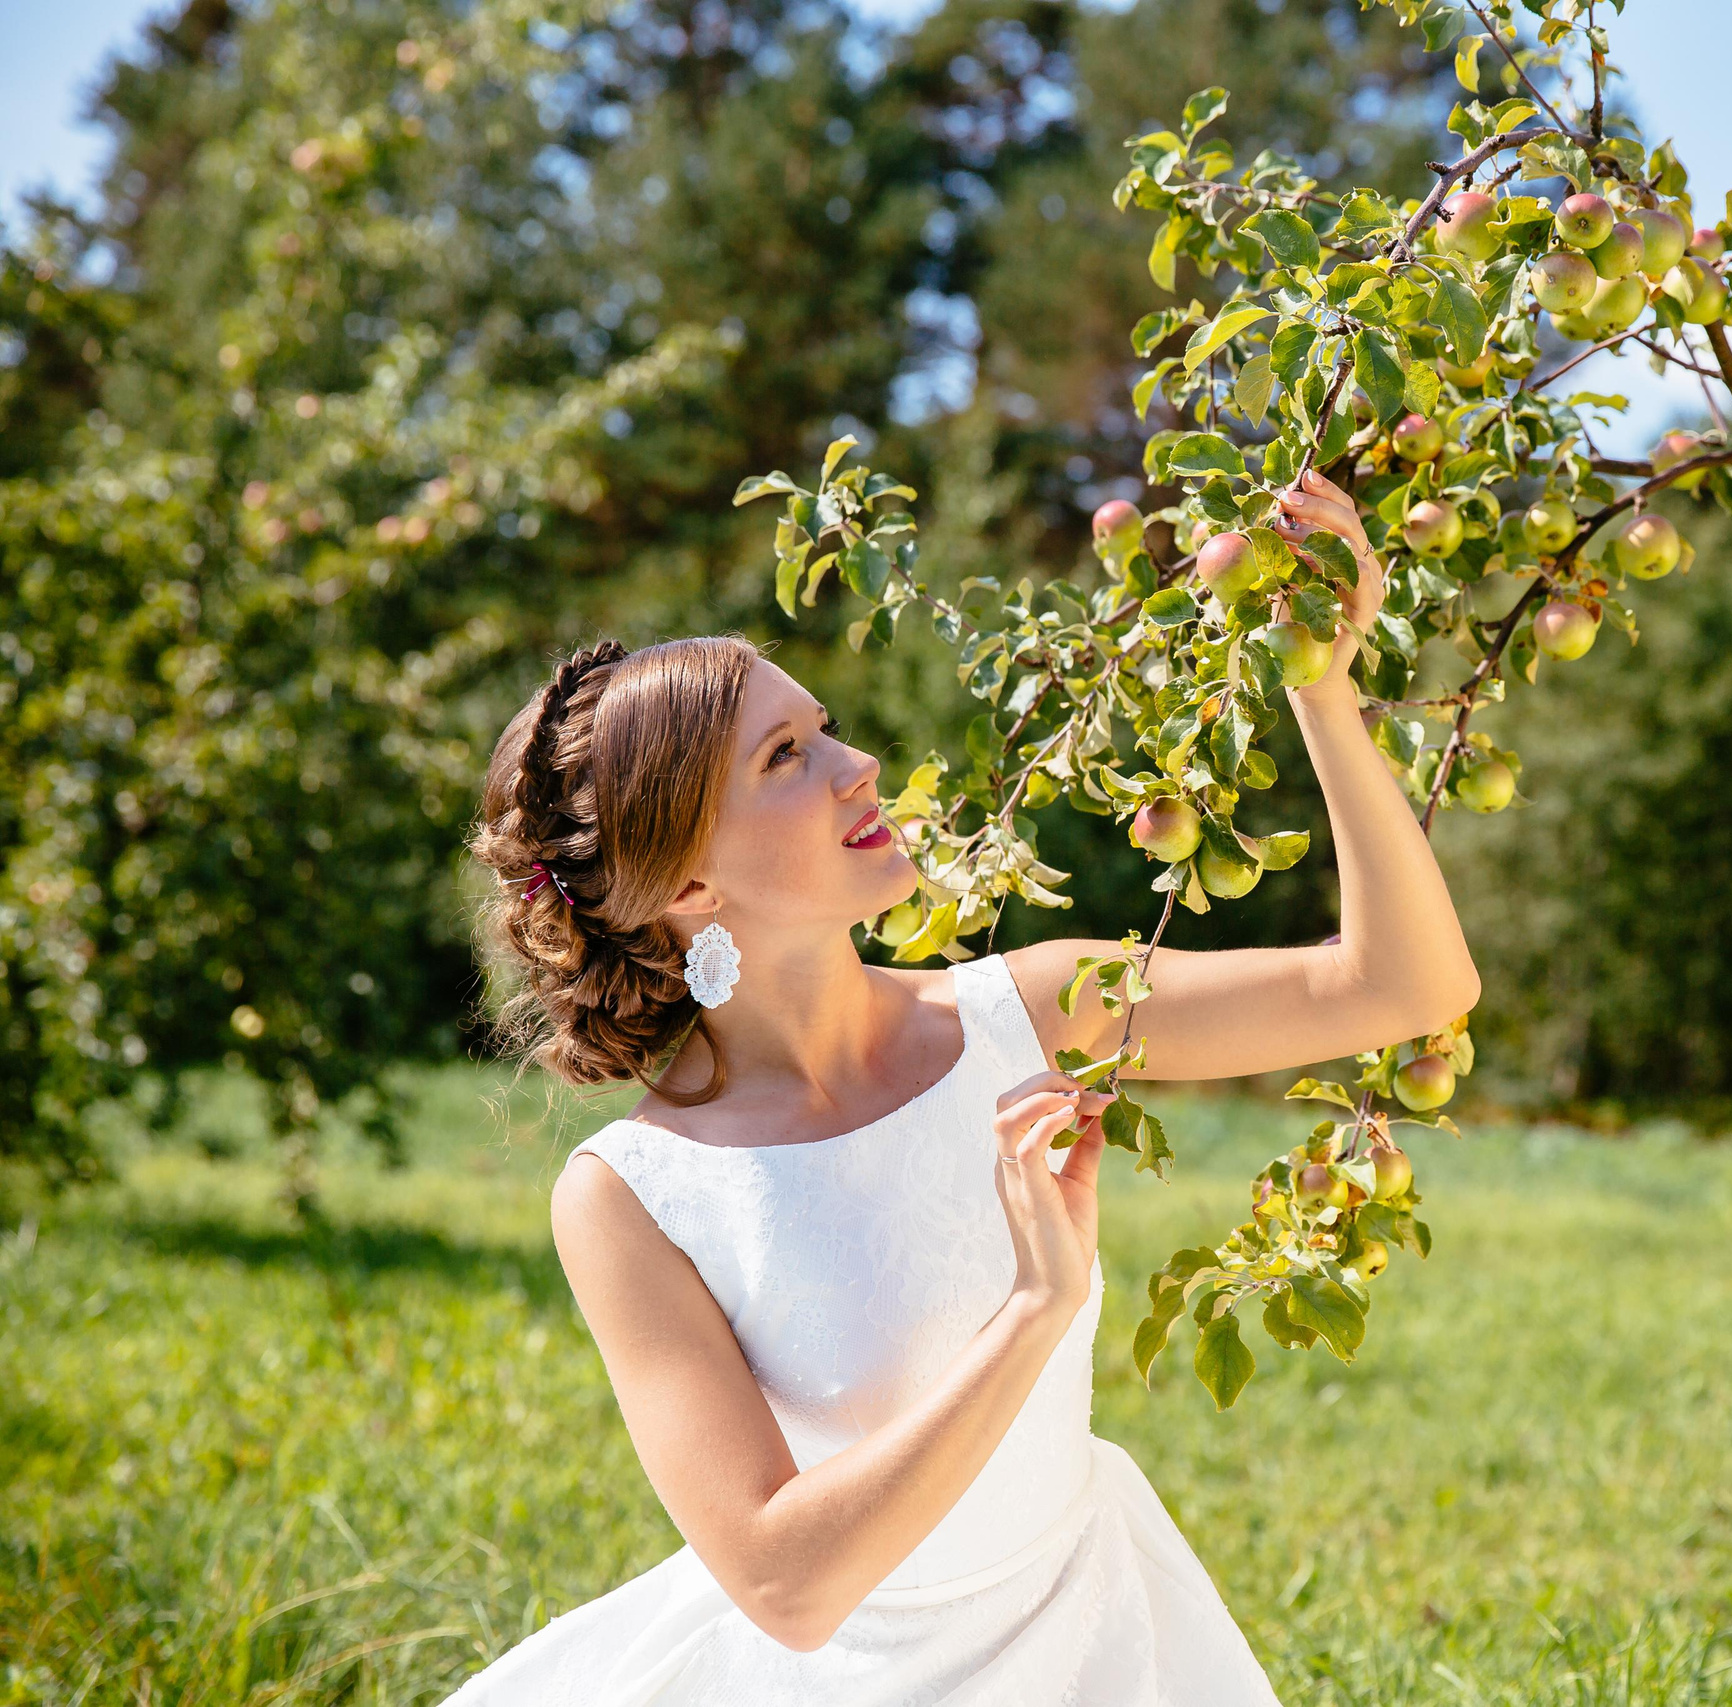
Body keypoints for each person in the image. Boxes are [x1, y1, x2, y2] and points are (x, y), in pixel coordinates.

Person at [437, 467, 1479, 1705]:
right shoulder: (629, 1199)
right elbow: (785, 1586)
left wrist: (1319, 679)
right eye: (788, 755)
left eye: (823, 727)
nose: (858, 762)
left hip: (1103, 1647)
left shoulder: (1032, 1012)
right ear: (689, 888)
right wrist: (1035, 1306)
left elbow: (1400, 989)